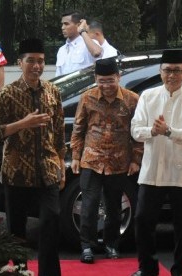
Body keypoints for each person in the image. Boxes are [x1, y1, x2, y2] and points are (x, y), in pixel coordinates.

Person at [0, 38, 65, 276]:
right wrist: (22, 124)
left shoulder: (53, 91)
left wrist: (61, 164)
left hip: (48, 170)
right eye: (31, 60)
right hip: (17, 173)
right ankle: (21, 272)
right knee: (17, 233)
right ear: (20, 63)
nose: (36, 66)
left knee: (51, 224)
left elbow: (59, 131)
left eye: (40, 61)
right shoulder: (7, 94)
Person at [130, 50, 182, 276]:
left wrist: (170, 132)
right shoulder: (148, 96)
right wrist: (152, 131)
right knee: (143, 220)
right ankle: (148, 268)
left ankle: (181, 270)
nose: (171, 75)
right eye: (167, 70)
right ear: (160, 71)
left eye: (176, 70)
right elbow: (135, 131)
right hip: (153, 169)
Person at [70, 57, 143, 264]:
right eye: (101, 81)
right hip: (91, 160)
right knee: (89, 205)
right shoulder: (87, 97)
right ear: (96, 79)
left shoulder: (132, 100)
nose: (106, 85)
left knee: (114, 207)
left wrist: (136, 159)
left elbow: (138, 134)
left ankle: (111, 244)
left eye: (110, 80)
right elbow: (78, 129)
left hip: (119, 162)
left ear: (118, 78)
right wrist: (75, 156)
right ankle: (87, 246)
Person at [55, 10, 102, 77]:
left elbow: (96, 52)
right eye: (62, 24)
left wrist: (82, 30)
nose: (62, 27)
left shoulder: (88, 44)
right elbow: (58, 75)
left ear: (78, 25)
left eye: (66, 24)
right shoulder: (61, 50)